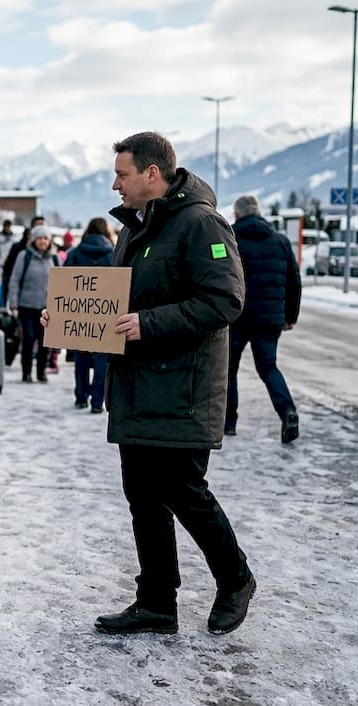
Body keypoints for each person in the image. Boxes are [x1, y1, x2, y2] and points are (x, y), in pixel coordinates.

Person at [57, 131, 254, 636]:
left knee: (183, 490)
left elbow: (224, 301)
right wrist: (69, 318)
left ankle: (235, 579)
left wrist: (150, 323)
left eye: (122, 173)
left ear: (152, 173)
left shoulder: (201, 223)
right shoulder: (135, 227)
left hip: (183, 389)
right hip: (138, 385)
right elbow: (120, 303)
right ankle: (157, 602)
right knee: (142, 494)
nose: (115, 183)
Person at [225, 195, 302, 443]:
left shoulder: (230, 238)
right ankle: (287, 411)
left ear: (237, 215)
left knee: (228, 370)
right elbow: (294, 281)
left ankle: (228, 423)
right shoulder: (280, 241)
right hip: (269, 319)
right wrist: (289, 316)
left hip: (237, 317)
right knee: (268, 367)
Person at [64, 217, 116, 412]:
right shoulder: (113, 253)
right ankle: (97, 401)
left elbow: (65, 282)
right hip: (104, 314)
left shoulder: (75, 253)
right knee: (102, 359)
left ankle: (80, 397)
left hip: (80, 314)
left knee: (82, 358)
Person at [8, 225, 58, 383]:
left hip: (46, 307)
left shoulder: (54, 259)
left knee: (44, 341)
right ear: (34, 240)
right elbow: (15, 280)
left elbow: (61, 283)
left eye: (45, 239)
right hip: (27, 305)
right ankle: (26, 371)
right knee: (29, 338)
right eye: (40, 238)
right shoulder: (24, 256)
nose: (43, 242)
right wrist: (14, 304)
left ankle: (41, 372)